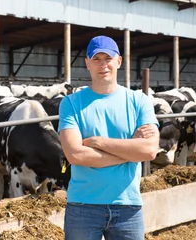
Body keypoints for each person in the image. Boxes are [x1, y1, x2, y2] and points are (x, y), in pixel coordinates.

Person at [58, 35, 160, 240]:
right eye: (96, 59)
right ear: (87, 63)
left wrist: (99, 142)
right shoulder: (71, 103)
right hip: (83, 206)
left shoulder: (139, 101)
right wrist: (130, 151)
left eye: (108, 58)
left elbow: (149, 150)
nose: (103, 64)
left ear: (119, 61)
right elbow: (76, 155)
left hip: (127, 206)